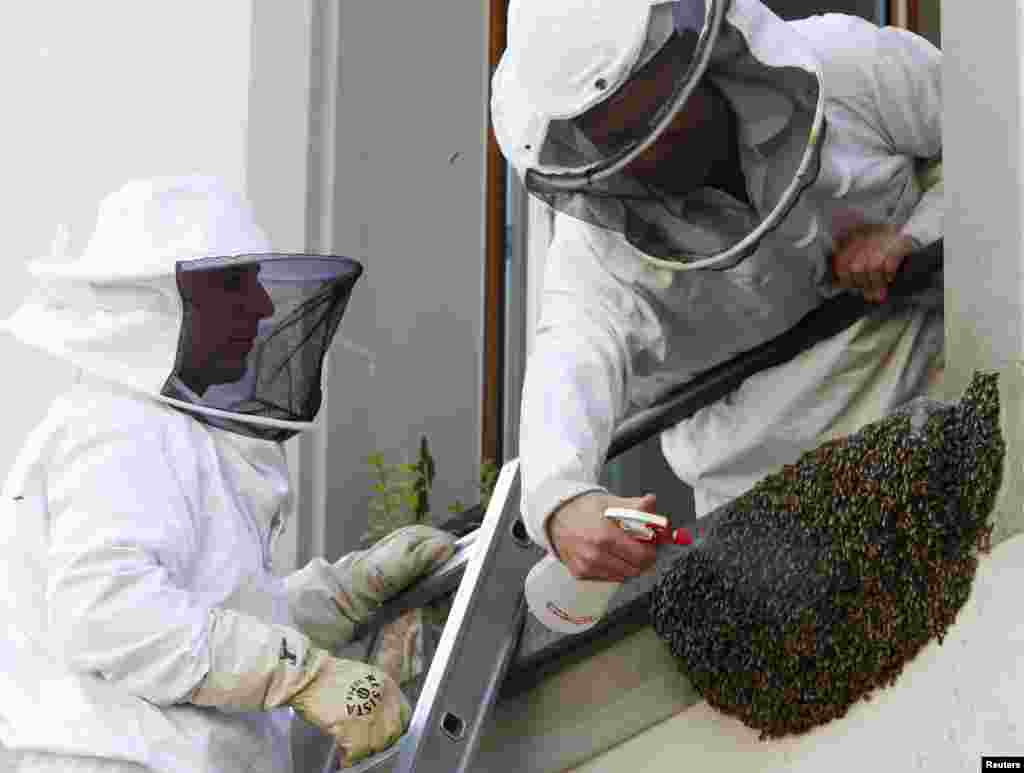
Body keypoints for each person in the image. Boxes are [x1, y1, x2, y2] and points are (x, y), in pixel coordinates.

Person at [0, 176, 456, 772]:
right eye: (237, 286)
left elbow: (205, 623)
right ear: (164, 303)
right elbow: (112, 614)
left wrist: (340, 597)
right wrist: (305, 674)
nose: (264, 307)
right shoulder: (118, 427)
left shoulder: (161, 431)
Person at [491, 0, 943, 582]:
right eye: (619, 139)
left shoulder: (847, 66)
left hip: (942, 393)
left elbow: (1003, 141)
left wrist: (918, 238)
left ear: (687, 58)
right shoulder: (595, 253)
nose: (650, 153)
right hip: (775, 533)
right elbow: (569, 359)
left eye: (654, 115)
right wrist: (559, 499)